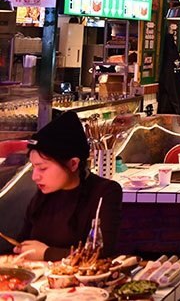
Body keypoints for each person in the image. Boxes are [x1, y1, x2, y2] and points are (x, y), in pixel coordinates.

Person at [15, 112, 123, 261]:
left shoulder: (105, 192)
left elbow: (102, 254)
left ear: (73, 164)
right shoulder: (43, 195)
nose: (35, 176)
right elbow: (22, 242)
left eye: (42, 168)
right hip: (37, 274)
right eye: (33, 167)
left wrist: (47, 253)